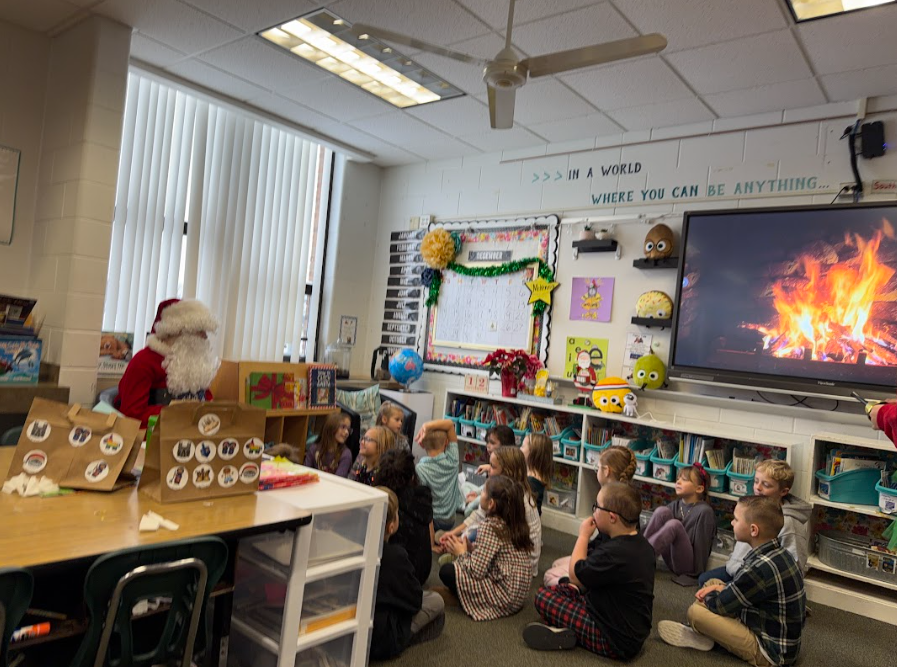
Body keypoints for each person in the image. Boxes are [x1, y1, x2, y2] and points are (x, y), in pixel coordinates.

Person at [658, 495, 806, 667]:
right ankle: (707, 633)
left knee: (696, 613)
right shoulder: (778, 553)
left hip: (770, 652)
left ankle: (704, 633)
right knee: (713, 582)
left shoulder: (758, 569)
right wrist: (718, 589)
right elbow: (743, 589)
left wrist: (708, 599)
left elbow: (720, 605)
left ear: (753, 530)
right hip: (769, 626)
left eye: (736, 519)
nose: (732, 523)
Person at [524, 482, 655, 659]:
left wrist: (583, 535)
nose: (593, 512)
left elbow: (575, 575)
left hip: (612, 639)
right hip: (632, 633)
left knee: (543, 596)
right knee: (565, 586)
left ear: (612, 517)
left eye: (596, 507)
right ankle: (568, 628)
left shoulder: (613, 552)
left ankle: (570, 634)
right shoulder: (643, 546)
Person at [699, 459, 810, 586]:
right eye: (756, 481)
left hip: (760, 578)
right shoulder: (751, 508)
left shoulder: (789, 522)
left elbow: (795, 566)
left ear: (783, 491)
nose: (758, 488)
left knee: (718, 593)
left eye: (766, 485)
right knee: (704, 580)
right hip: (738, 568)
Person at [438, 475, 533, 621]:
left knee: (448, 571)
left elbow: (476, 571)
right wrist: (471, 549)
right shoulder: (514, 522)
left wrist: (461, 553)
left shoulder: (490, 527)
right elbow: (494, 555)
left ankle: (463, 598)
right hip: (517, 594)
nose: (480, 494)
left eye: (483, 492)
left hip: (504, 598)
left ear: (491, 504)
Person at [116, 298, 219, 427]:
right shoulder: (143, 362)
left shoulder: (193, 361)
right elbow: (132, 415)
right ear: (177, 331)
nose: (205, 337)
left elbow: (206, 400)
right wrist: (183, 412)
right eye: (199, 330)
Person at [543, 445, 636, 587]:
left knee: (550, 576)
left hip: (604, 567)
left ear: (606, 471)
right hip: (605, 559)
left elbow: (605, 550)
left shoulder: (609, 503)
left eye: (598, 467)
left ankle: (578, 590)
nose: (596, 471)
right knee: (557, 564)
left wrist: (584, 537)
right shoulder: (627, 497)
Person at [440, 446, 542, 576]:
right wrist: (453, 534)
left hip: (518, 566)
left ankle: (463, 556)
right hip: (516, 557)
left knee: (474, 534)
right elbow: (479, 515)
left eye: (492, 467)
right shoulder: (506, 489)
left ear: (507, 472)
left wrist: (462, 544)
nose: (488, 471)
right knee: (472, 532)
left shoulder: (514, 500)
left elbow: (491, 533)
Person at [370, 487, 444, 660]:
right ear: (391, 526)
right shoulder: (396, 556)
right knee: (435, 601)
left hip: (350, 629)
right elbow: (415, 600)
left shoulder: (352, 548)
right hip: (382, 639)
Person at [642, 463, 717, 585]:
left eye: (685, 480)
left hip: (688, 567)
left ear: (699, 489)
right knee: (662, 511)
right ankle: (637, 553)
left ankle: (641, 560)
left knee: (674, 524)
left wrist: (697, 574)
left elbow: (702, 546)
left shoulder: (705, 511)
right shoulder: (675, 505)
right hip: (671, 560)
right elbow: (653, 528)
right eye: (678, 479)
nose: (678, 482)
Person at [377, 449, 434, 585]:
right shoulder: (422, 496)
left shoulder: (388, 504)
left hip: (401, 576)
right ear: (412, 476)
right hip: (423, 569)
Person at [415, 419, 463, 532]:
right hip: (450, 521)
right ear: (447, 442)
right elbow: (450, 425)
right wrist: (426, 425)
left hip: (432, 522)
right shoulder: (453, 460)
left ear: (422, 445)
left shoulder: (420, 469)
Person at [460, 425, 514, 517]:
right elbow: (487, 486)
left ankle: (466, 506)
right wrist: (477, 493)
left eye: (492, 443)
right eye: (487, 442)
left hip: (496, 500)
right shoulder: (496, 461)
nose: (488, 446)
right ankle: (469, 503)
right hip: (488, 493)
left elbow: (496, 492)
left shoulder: (508, 467)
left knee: (469, 509)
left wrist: (478, 499)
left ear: (504, 446)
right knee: (465, 485)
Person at [303, 412, 353, 477]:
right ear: (331, 427)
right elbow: (305, 472)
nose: (347, 432)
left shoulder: (346, 454)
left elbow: (338, 481)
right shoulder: (314, 448)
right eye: (343, 427)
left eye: (348, 429)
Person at [521, 433, 554, 514]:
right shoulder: (533, 476)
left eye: (522, 446)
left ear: (533, 452)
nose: (519, 449)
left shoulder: (532, 481)